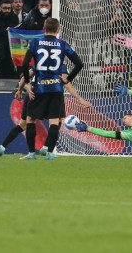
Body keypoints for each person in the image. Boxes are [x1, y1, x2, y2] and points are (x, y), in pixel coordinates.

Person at [21, 18, 83, 160]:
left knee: (31, 120)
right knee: (54, 122)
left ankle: (31, 153)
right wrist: (68, 79)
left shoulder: (35, 43)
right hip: (56, 89)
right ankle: (49, 153)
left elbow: (25, 65)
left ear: (43, 29)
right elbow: (79, 64)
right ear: (58, 29)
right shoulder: (62, 44)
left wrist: (28, 83)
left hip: (40, 88)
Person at [0, 66, 90, 156]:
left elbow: (24, 77)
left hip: (34, 94)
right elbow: (67, 84)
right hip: (52, 96)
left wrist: (19, 90)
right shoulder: (60, 64)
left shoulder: (40, 61)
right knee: (57, 121)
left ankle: (2, 147)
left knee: (23, 125)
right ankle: (46, 148)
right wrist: (80, 99)